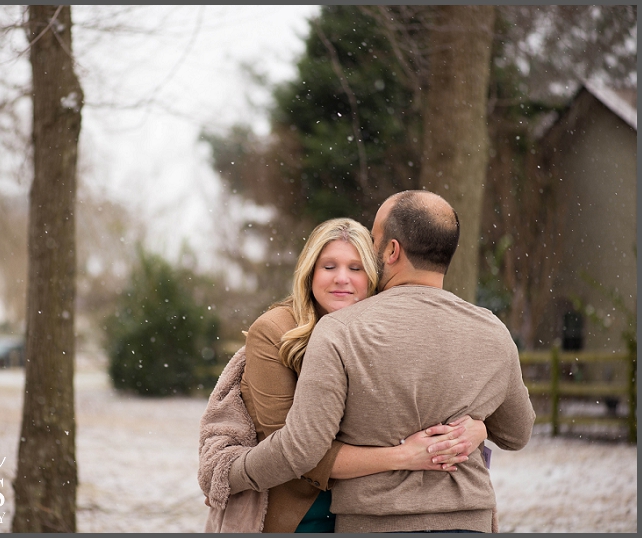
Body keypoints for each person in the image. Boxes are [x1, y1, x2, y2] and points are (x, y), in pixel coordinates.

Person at [224, 191, 537, 533]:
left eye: (373, 239)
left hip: (375, 521)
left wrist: (229, 474)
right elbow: (518, 432)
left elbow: (301, 448)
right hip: (468, 521)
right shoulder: (492, 329)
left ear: (391, 251)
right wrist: (475, 427)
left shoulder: (341, 331)